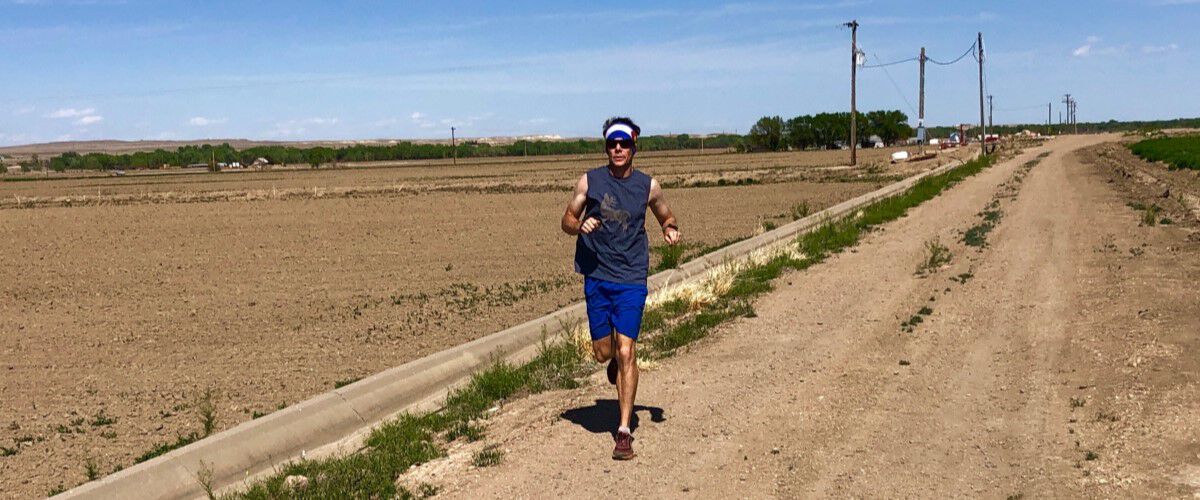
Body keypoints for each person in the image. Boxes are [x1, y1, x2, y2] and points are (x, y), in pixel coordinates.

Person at [561, 116, 681, 460]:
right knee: (604, 352)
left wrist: (670, 229)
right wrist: (580, 224)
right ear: (606, 147)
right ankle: (611, 360)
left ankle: (624, 431)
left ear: (633, 147)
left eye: (623, 143)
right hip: (597, 275)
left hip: (630, 276)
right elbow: (566, 221)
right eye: (612, 144)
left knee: (627, 351)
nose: (617, 149)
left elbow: (665, 215)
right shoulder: (589, 181)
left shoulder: (648, 185)